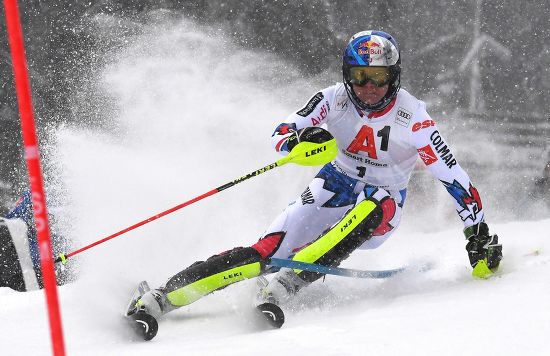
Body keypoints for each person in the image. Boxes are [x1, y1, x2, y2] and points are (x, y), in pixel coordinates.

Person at [129, 30, 502, 323]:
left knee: (377, 202)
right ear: (347, 75)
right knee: (265, 251)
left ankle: (288, 282)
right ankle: (162, 297)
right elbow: (280, 133)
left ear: (394, 76)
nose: (369, 87)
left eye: (379, 77)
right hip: (332, 184)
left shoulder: (415, 118)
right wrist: (300, 138)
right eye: (360, 76)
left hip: (382, 204)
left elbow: (453, 177)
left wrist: (477, 233)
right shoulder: (332, 98)